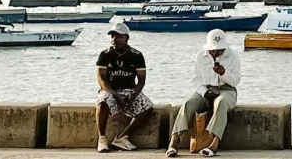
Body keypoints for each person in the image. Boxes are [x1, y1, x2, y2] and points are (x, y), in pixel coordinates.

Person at [167, 30, 242, 159]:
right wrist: (204, 92)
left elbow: (235, 81)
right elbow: (196, 80)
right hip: (205, 89)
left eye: (220, 50)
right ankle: (173, 143)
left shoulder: (233, 56)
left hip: (227, 89)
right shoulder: (200, 56)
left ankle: (214, 144)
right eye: (214, 50)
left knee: (221, 103)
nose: (217, 52)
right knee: (188, 104)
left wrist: (223, 73)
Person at [96, 20, 154, 153]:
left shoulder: (136, 55)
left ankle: (122, 137)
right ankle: (102, 139)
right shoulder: (105, 55)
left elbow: (141, 81)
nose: (114, 39)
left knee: (147, 107)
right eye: (113, 36)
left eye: (119, 36)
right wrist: (116, 95)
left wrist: (133, 96)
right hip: (110, 90)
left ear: (126, 38)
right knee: (102, 102)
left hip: (129, 89)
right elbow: (101, 80)